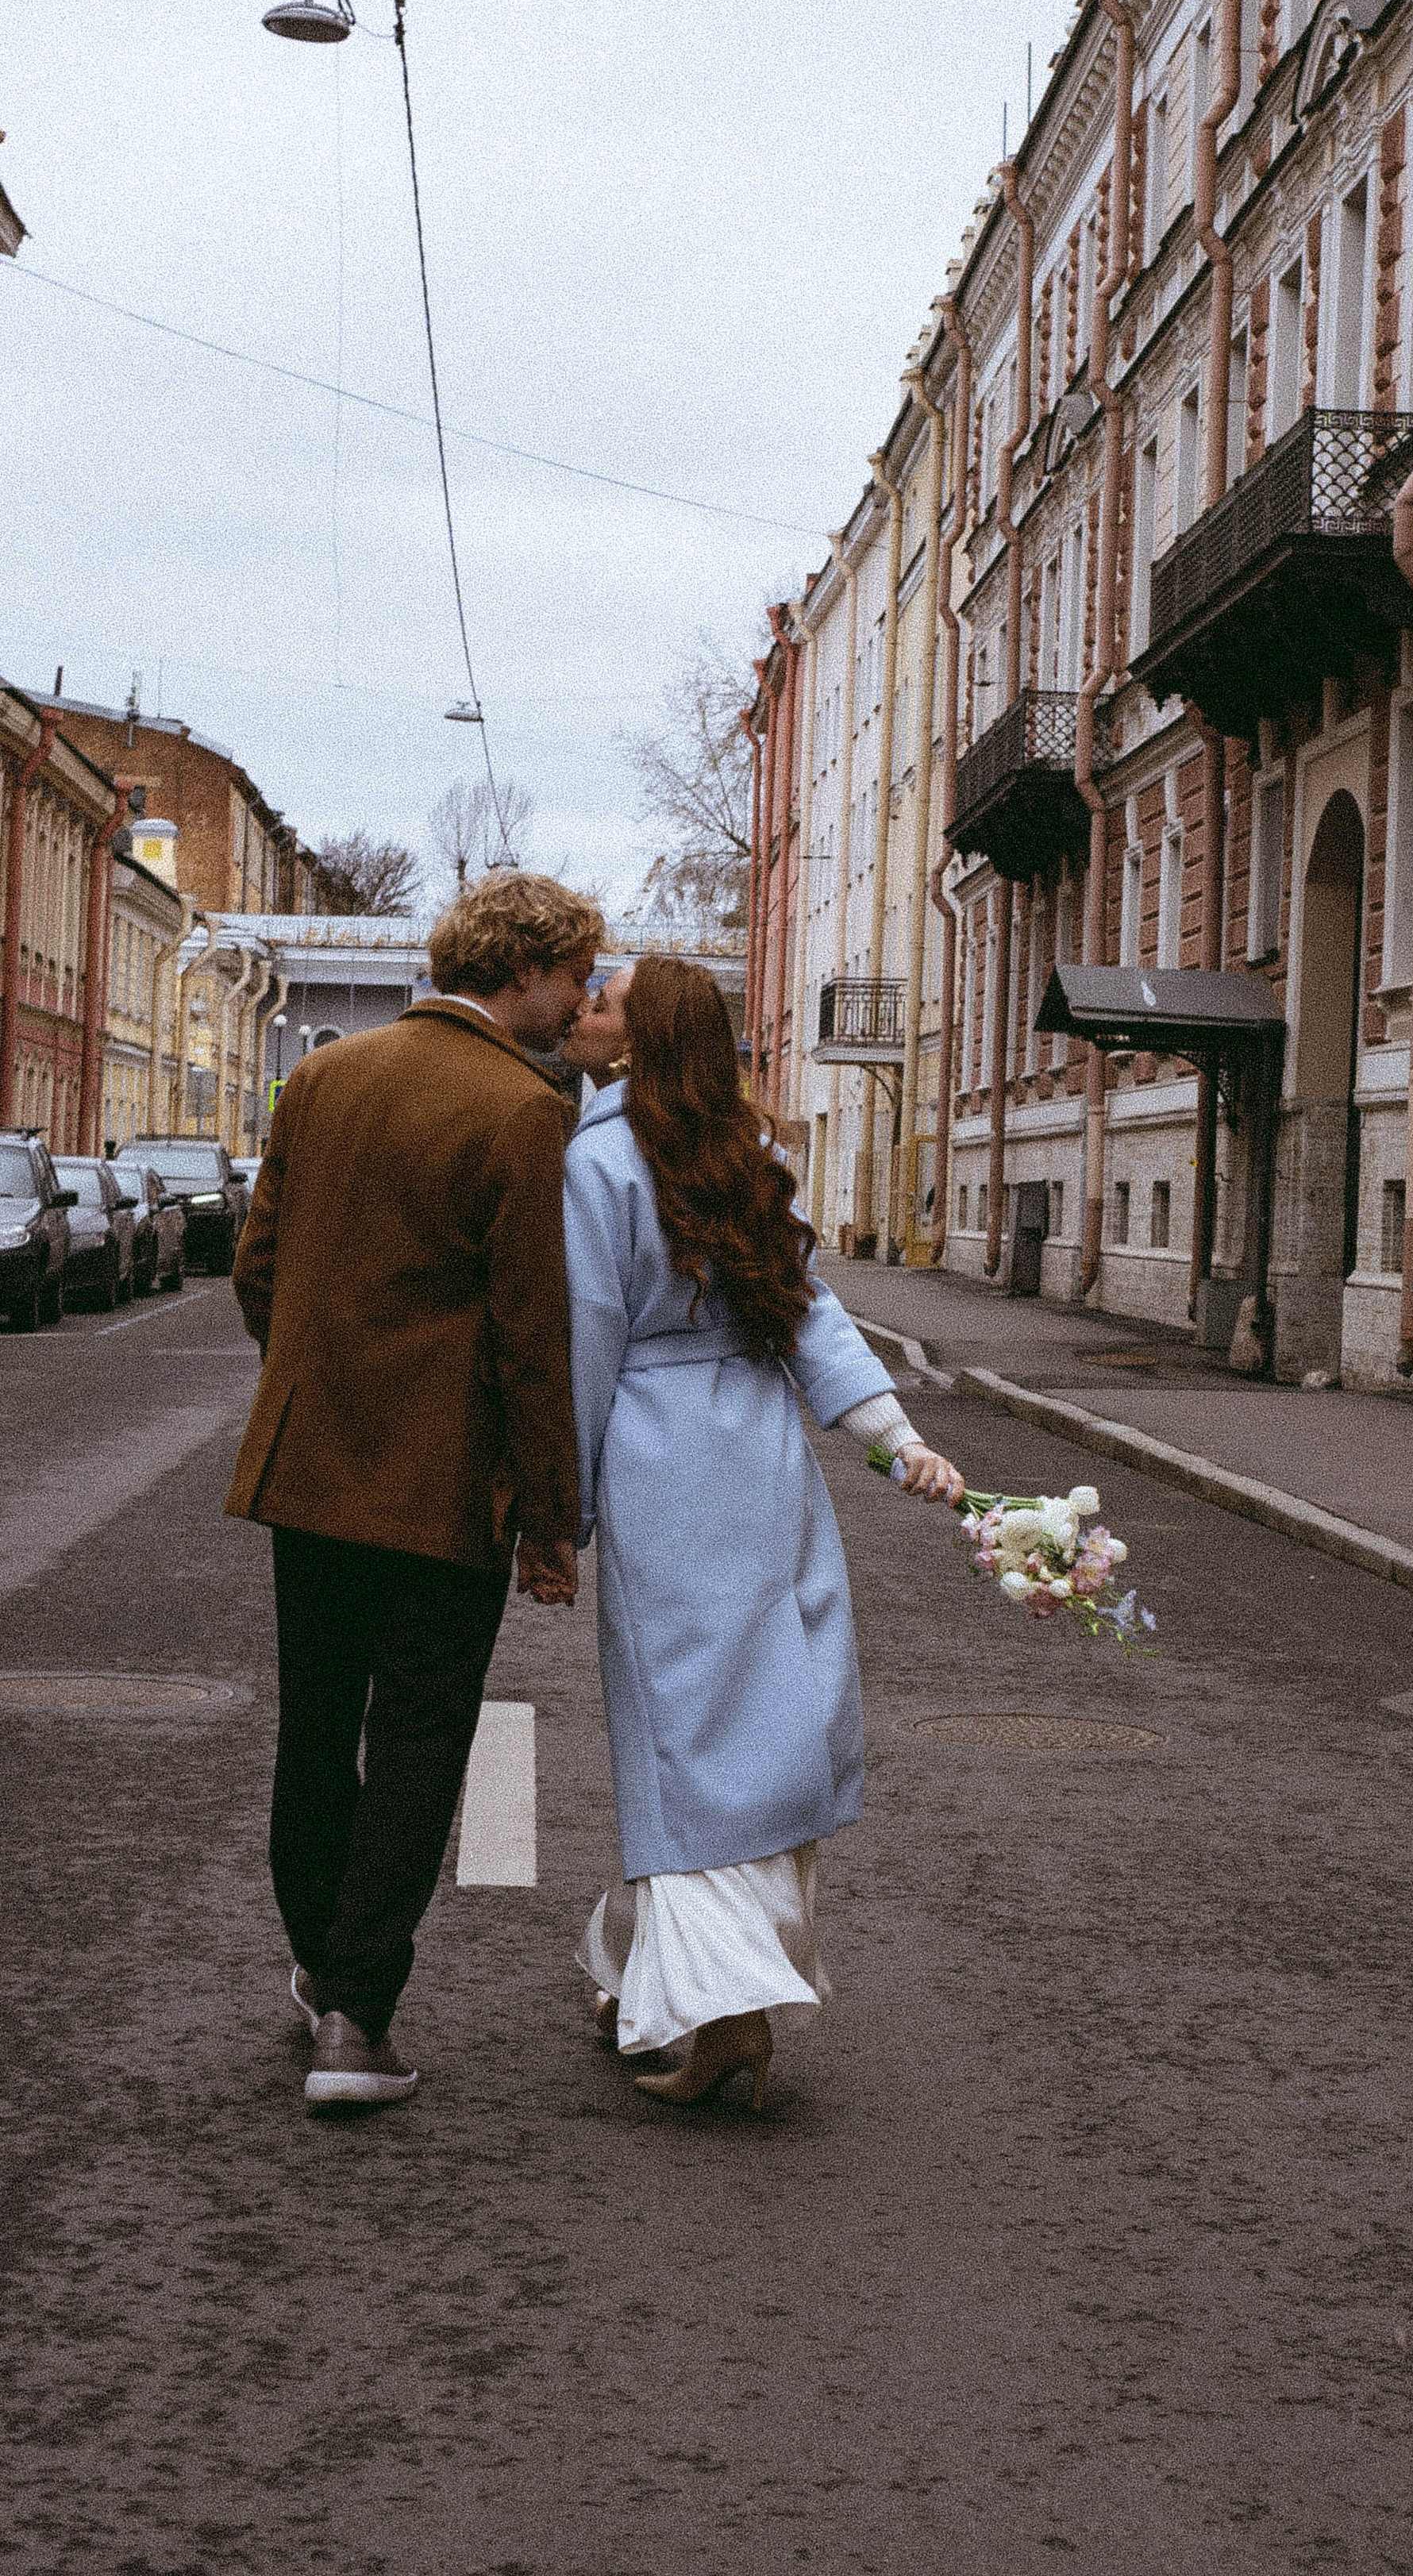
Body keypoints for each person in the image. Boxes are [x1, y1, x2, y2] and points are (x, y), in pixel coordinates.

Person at [227, 870, 606, 2115]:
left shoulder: (327, 1077)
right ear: (526, 970)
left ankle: (316, 1963)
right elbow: (528, 1334)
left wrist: (318, 1379)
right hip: (444, 1487)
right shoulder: (520, 1108)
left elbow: (259, 1268)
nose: (582, 1001)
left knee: (315, 1724)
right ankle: (355, 2014)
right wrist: (550, 1517)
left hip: (311, 1463)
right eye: (575, 977)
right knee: (419, 1742)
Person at [562, 954, 963, 2112]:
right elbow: (807, 1308)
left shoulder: (597, 1161)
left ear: (637, 1044)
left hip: (656, 1455)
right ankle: (653, 1971)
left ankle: (723, 2010)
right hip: (764, 1451)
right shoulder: (755, 1155)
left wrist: (566, 1506)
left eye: (606, 1003)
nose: (588, 1013)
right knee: (768, 1711)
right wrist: (892, 1439)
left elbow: (592, 1334)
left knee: (681, 1732)